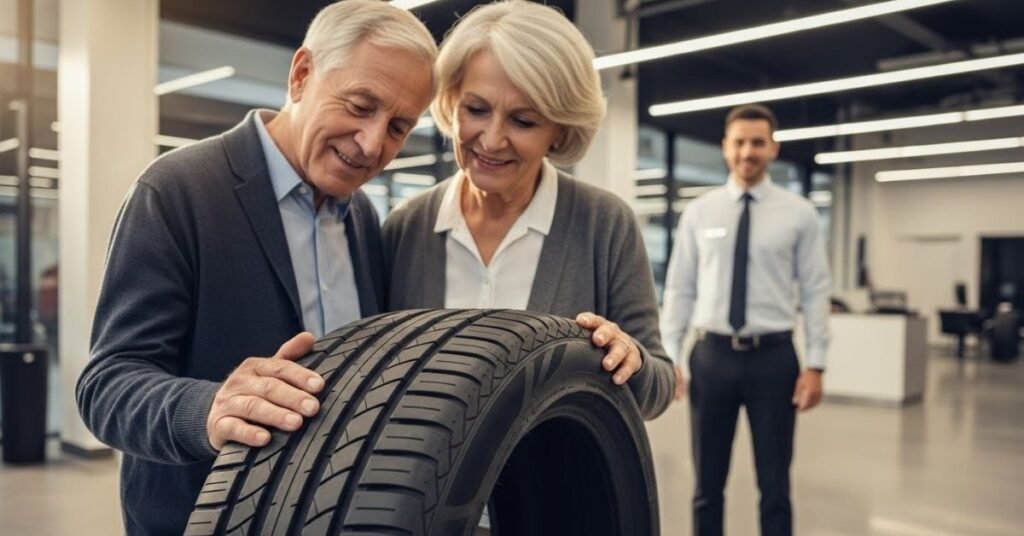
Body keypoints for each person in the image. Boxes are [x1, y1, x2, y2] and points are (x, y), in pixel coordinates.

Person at [75, 2, 436, 534]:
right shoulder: (178, 189)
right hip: (204, 518)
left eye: (399, 126)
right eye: (360, 105)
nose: (372, 144)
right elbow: (107, 386)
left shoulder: (361, 215)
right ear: (302, 75)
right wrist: (209, 409)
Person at [382, 0, 674, 421]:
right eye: (477, 109)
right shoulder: (405, 227)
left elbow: (659, 387)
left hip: (555, 479)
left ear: (560, 130)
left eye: (523, 121)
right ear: (451, 102)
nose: (493, 139)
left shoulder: (604, 224)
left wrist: (632, 362)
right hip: (429, 482)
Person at [660, 103, 831, 536]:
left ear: (773, 148)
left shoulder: (800, 214)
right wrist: (670, 355)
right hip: (711, 356)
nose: (747, 152)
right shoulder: (700, 212)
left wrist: (816, 364)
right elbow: (680, 289)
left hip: (773, 359)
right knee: (706, 485)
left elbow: (815, 291)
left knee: (775, 485)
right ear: (725, 147)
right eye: (739, 142)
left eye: (757, 142)